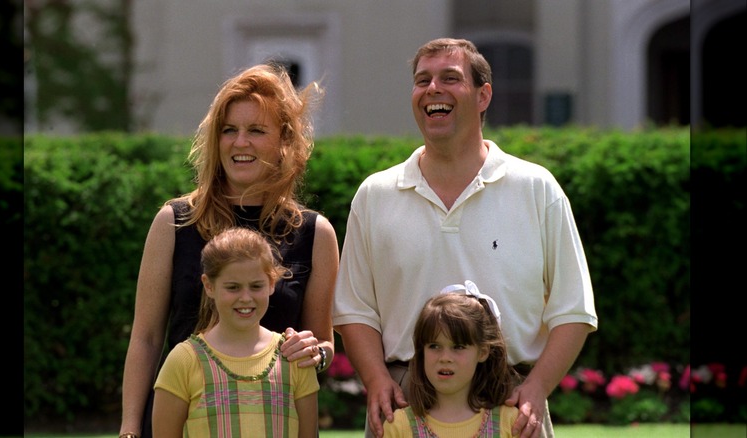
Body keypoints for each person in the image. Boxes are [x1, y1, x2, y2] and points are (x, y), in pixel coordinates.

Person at [332, 37, 598, 438]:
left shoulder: (536, 188)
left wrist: (537, 387)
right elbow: (355, 310)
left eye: (450, 78)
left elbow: (573, 310)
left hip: (510, 402)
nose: (432, 89)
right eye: (422, 80)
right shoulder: (375, 195)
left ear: (483, 95)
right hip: (404, 403)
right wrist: (375, 381)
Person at [119, 63, 340, 438]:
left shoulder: (315, 233)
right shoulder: (173, 223)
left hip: (269, 424)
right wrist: (128, 429)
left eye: (256, 130)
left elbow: (323, 343)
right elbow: (146, 338)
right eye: (229, 130)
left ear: (285, 140)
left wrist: (316, 353)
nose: (240, 143)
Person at [152, 227, 320, 437]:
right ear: (209, 286)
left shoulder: (293, 357)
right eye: (233, 287)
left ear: (271, 283)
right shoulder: (184, 361)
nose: (245, 298)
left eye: (256, 286)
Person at [383, 281, 520, 438]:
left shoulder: (510, 423)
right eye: (434, 346)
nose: (445, 358)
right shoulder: (399, 426)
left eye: (458, 347)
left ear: (482, 352)